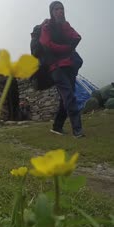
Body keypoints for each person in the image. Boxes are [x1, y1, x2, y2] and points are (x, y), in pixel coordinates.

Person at [40, 1, 85, 138]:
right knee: (69, 97)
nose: (60, 11)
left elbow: (77, 37)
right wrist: (66, 48)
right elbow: (46, 44)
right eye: (57, 9)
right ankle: (77, 130)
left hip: (69, 66)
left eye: (62, 9)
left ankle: (57, 127)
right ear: (51, 12)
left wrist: (65, 30)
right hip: (56, 68)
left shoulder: (66, 25)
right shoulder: (47, 26)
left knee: (65, 98)